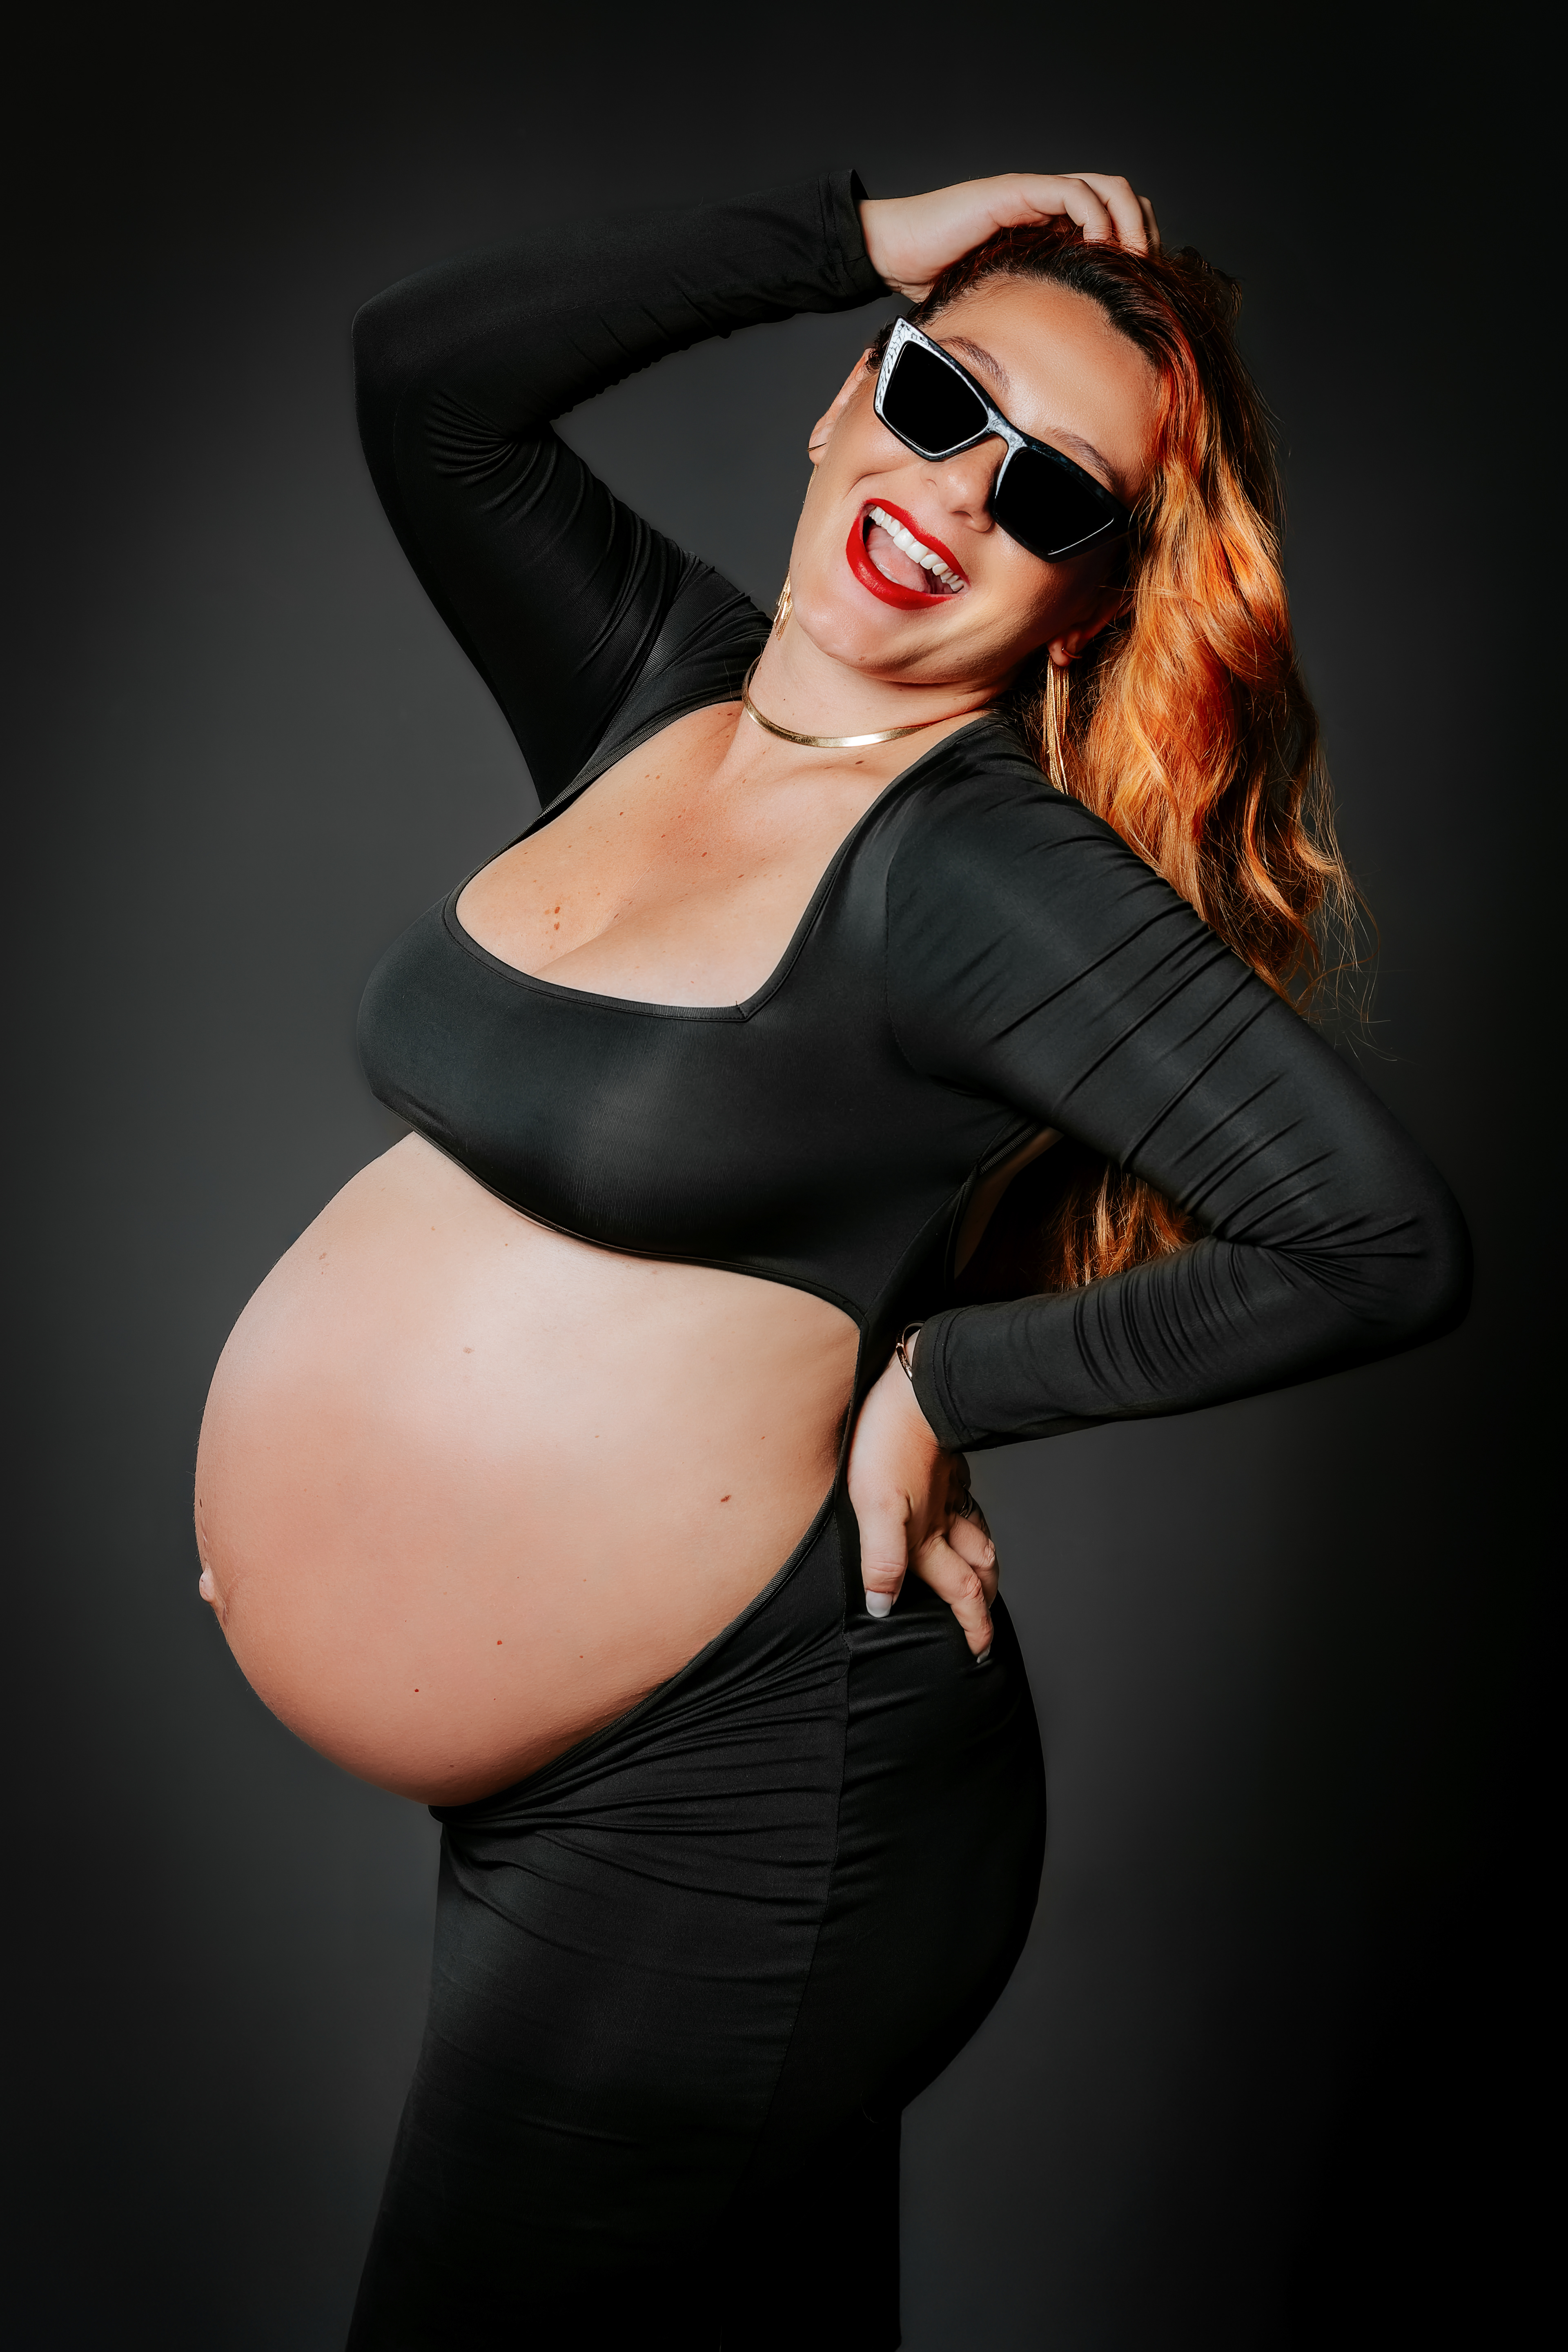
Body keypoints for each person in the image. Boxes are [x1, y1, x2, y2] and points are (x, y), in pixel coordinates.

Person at [192, 167, 1469, 2348]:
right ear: (841, 400)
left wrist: (952, 1385)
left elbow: (1379, 1240)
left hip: (743, 1817)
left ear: (1082, 607)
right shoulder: (651, 686)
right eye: (937, 398)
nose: (954, 493)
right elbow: (425, 380)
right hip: (597, 1811)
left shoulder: (980, 875)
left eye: (1047, 495)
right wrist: (853, 235)